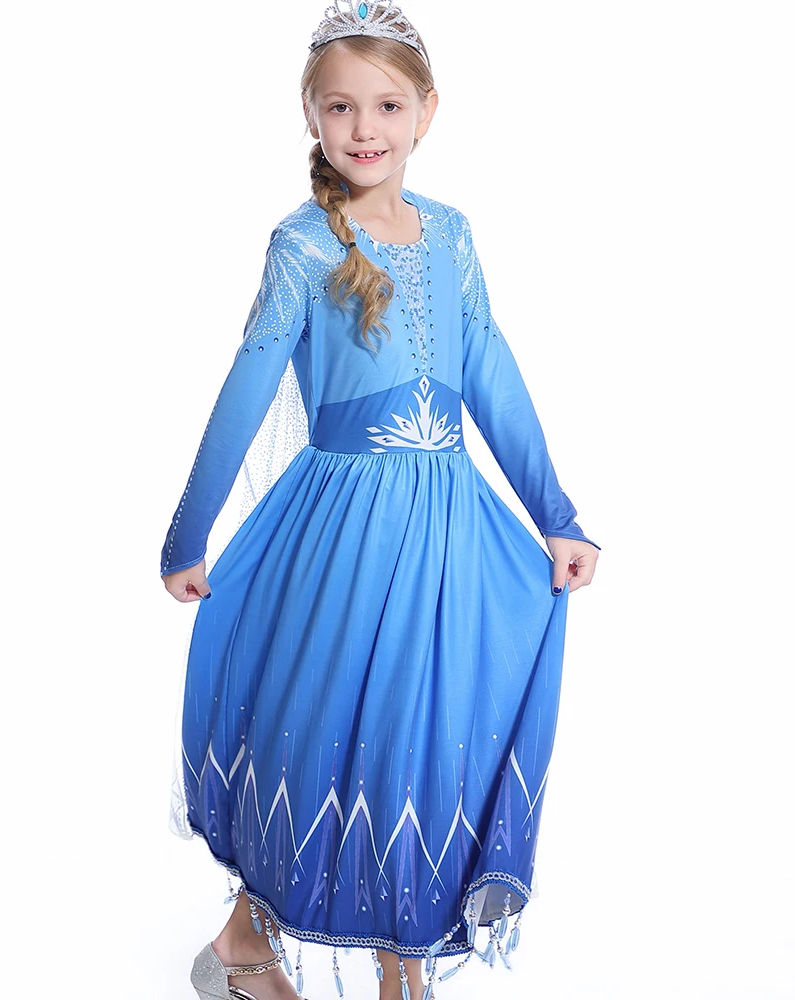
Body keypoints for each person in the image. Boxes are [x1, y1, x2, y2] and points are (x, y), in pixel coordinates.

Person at [161, 3, 601, 999]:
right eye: (341, 107)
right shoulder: (303, 244)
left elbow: (487, 369)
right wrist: (187, 533)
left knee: (423, 746)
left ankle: (321, 959)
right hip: (346, 533)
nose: (366, 128)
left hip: (447, 527)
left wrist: (556, 512)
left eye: (389, 105)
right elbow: (246, 387)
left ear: (427, 111)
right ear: (310, 115)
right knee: (334, 734)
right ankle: (273, 949)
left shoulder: (451, 234)